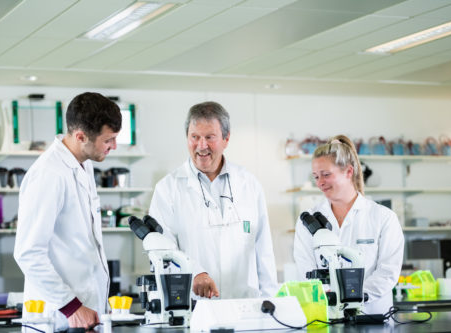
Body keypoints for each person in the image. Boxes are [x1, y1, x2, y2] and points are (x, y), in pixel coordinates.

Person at [14, 92, 121, 331]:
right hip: (58, 319)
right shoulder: (49, 173)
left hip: (86, 315)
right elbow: (28, 253)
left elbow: (83, 244)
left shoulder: (85, 165)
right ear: (81, 136)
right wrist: (70, 306)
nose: (113, 146)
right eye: (108, 140)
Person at [149, 101, 278, 299]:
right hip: (195, 306)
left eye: (210, 137)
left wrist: (271, 301)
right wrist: (194, 271)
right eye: (195, 137)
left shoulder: (249, 184)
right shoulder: (167, 189)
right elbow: (161, 248)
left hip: (245, 305)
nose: (202, 146)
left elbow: (264, 250)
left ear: (226, 139)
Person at [293, 135, 404, 314]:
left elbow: (387, 272)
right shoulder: (308, 220)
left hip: (372, 317)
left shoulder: (383, 217)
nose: (320, 182)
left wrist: (352, 297)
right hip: (327, 318)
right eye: (316, 176)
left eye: (326, 175)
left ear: (348, 172)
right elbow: (306, 269)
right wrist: (331, 298)